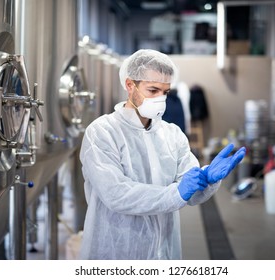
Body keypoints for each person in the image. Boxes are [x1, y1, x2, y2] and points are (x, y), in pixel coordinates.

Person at [78, 49, 246, 260]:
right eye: (153, 90)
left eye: (165, 92)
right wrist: (175, 194)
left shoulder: (172, 134)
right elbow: (116, 194)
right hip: (116, 251)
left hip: (163, 251)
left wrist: (206, 179)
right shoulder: (102, 132)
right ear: (130, 85)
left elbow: (189, 193)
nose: (160, 99)